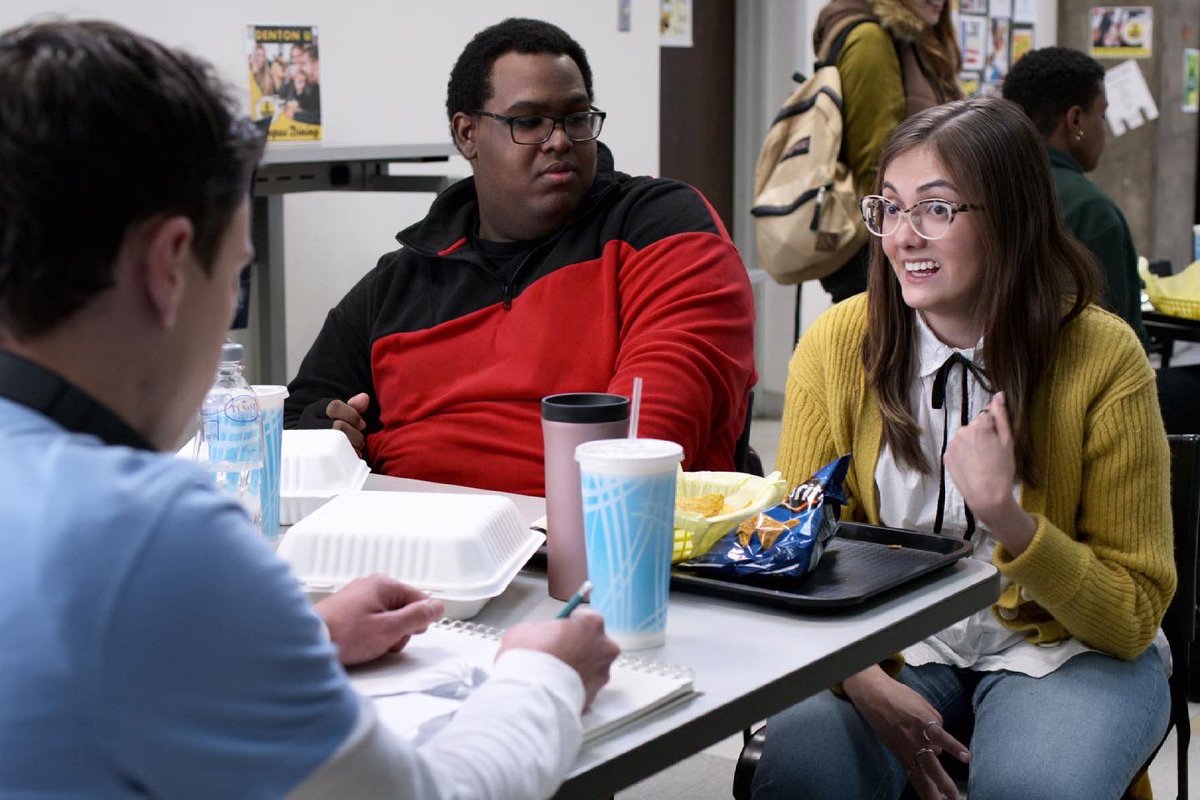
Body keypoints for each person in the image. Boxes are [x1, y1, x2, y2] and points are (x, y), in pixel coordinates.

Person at [0, 19, 619, 798]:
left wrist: (300, 645)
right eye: (236, 272)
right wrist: (544, 676)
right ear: (168, 268)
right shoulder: (149, 534)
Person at [752, 98, 1174, 800]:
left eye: (937, 209)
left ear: (1010, 218)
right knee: (807, 769)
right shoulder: (837, 345)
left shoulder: (1102, 356)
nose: (903, 237)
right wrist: (859, 679)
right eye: (890, 208)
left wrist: (1009, 520)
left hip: (1066, 651)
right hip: (885, 645)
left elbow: (1132, 616)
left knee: (1033, 790)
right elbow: (793, 555)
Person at [284, 17, 756, 495]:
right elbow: (297, 416)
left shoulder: (659, 224)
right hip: (406, 528)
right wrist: (325, 433)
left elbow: (643, 448)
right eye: (528, 122)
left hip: (595, 528)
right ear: (467, 134)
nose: (559, 140)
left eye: (576, 118)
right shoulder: (399, 282)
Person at [810, 0, 961, 302]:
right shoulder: (871, 40)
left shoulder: (911, 40)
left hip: (900, 236)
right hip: (882, 248)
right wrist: (898, 240)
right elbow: (877, 163)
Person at [1003, 46, 1147, 345]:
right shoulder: (1091, 210)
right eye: (1102, 115)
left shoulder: (979, 184)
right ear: (1076, 120)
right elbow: (1119, 341)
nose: (1104, 130)